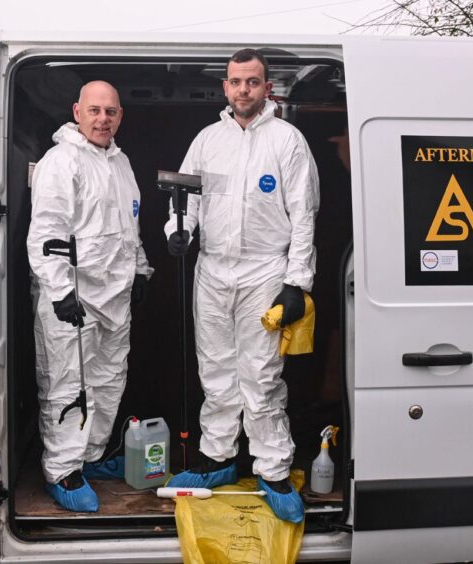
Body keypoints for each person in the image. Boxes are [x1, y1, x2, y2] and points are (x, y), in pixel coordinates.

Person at [164, 49, 319, 523]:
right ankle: (217, 458)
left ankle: (272, 469)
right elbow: (183, 198)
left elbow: (304, 217)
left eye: (252, 82)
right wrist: (177, 231)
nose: (243, 90)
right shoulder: (208, 140)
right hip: (211, 269)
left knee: (261, 376)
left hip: (263, 271)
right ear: (225, 88)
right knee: (215, 370)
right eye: (235, 82)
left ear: (266, 87)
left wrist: (296, 283)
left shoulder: (288, 141)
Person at [27, 80, 153, 513]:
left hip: (114, 296)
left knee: (107, 380)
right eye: (95, 111)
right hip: (74, 300)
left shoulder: (120, 162)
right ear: (77, 111)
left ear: (120, 116)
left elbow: (129, 225)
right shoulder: (61, 162)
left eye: (111, 112)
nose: (103, 119)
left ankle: (91, 455)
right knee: (67, 385)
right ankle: (62, 469)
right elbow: (45, 234)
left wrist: (139, 269)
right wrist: (61, 292)